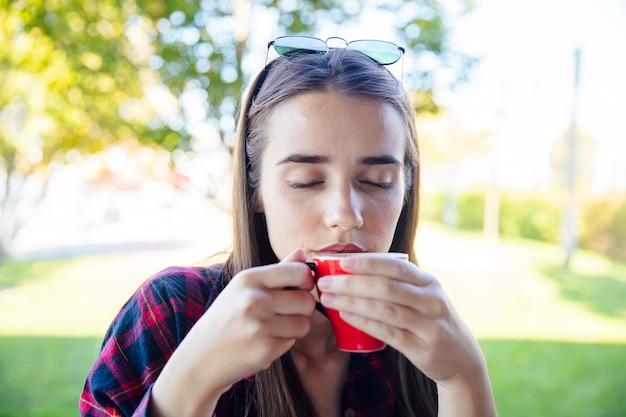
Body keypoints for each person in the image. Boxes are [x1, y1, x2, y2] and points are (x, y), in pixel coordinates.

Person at [80, 36, 497, 417]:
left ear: (405, 190)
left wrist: (464, 379)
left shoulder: (420, 338)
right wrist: (191, 380)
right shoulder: (172, 312)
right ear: (255, 189)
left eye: (377, 182)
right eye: (306, 181)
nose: (345, 214)